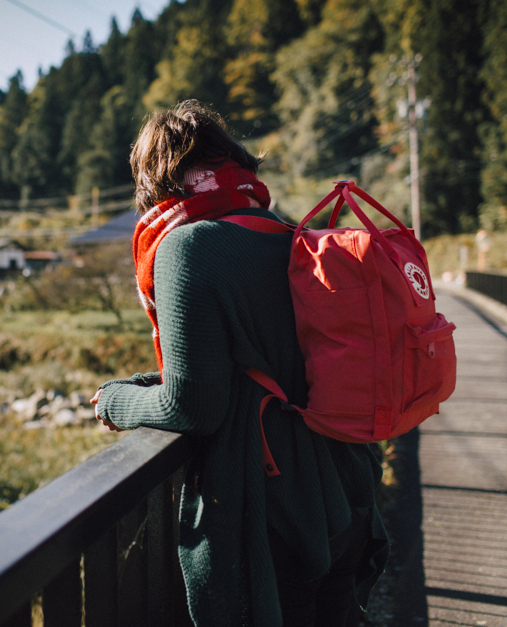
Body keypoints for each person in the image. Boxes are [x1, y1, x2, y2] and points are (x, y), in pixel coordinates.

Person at [91, 100, 388, 627]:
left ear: (156, 179)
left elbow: (195, 406)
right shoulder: (279, 228)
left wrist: (117, 398)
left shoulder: (188, 246)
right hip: (344, 480)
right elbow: (255, 354)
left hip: (278, 505)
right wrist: (151, 383)